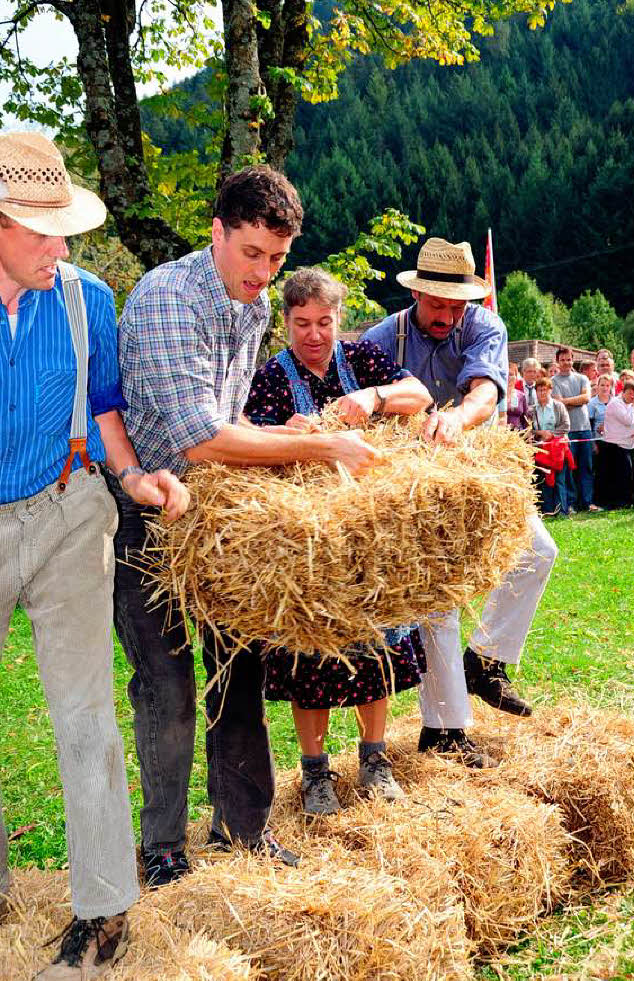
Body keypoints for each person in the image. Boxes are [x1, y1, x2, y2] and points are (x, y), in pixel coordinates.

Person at [0, 132, 190, 981]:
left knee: (85, 712)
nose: (63, 248)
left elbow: (102, 411)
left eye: (67, 231)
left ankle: (103, 908)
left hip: (68, 515)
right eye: (43, 232)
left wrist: (133, 476)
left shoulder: (88, 298)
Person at [114, 167, 383, 885]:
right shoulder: (170, 298)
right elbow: (199, 438)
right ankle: (164, 847)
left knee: (238, 674)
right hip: (148, 515)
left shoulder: (250, 305)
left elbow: (226, 422)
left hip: (219, 517)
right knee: (166, 687)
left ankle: (243, 829)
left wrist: (272, 430)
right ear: (217, 233)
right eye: (251, 255)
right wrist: (319, 444)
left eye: (276, 259)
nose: (263, 275)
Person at [242, 268, 432, 815]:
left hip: (370, 535)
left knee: (378, 645)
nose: (314, 334)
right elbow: (243, 436)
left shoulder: (363, 358)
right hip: (308, 541)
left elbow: (417, 394)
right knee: (311, 653)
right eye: (302, 323)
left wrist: (373, 398)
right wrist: (287, 434)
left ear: (338, 319)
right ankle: (315, 773)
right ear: (285, 323)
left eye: (324, 321)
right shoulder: (273, 378)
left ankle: (375, 760)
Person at [361, 237, 558, 762]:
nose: (448, 315)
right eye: (438, 304)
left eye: (457, 305)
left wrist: (455, 418)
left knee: (538, 551)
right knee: (437, 596)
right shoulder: (384, 337)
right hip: (412, 479)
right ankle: (445, 731)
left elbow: (485, 391)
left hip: (473, 466)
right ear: (416, 296)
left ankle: (486, 660)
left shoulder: (484, 325)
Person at [551, 346, 600, 512]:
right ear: (557, 362)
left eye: (568, 359)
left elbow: (586, 398)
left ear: (572, 360)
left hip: (584, 428)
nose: (566, 362)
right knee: (569, 470)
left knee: (586, 467)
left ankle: (587, 502)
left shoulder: (582, 378)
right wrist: (576, 400)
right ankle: (571, 503)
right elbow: (557, 402)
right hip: (567, 431)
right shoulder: (554, 382)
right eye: (562, 360)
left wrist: (567, 401)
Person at [530, 377, 571, 515]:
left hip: (558, 448)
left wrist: (552, 434)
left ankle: (562, 511)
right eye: (539, 390)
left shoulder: (558, 406)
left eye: (545, 390)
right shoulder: (533, 410)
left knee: (559, 479)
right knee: (544, 479)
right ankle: (548, 510)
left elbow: (566, 426)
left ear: (550, 390)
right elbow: (530, 430)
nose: (542, 393)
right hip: (542, 449)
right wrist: (540, 433)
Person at [602, 380, 634, 508]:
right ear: (623, 392)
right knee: (622, 474)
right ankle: (620, 502)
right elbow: (628, 420)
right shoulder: (615, 403)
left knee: (632, 472)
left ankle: (632, 499)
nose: (632, 397)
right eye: (630, 393)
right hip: (615, 444)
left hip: (630, 443)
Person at [588, 373, 614, 508]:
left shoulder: (615, 401)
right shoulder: (592, 403)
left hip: (614, 442)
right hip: (599, 442)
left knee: (612, 471)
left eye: (607, 385)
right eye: (602, 385)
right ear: (597, 386)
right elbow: (590, 425)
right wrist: (593, 444)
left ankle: (612, 500)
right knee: (600, 472)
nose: (604, 388)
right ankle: (599, 501)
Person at [505, 362, 529, 430]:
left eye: (511, 374)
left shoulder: (521, 395)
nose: (508, 377)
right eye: (506, 375)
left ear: (516, 377)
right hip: (501, 434)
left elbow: (525, 419)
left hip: (518, 434)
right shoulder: (498, 395)